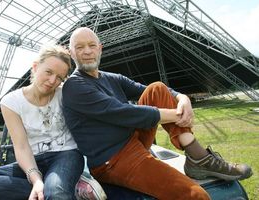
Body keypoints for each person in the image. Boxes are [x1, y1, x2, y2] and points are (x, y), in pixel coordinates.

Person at [61, 27, 253, 200]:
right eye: (79, 47)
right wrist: (176, 114)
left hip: (134, 140)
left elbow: (148, 90)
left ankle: (198, 158)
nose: (87, 51)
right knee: (196, 195)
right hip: (113, 160)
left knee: (157, 88)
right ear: (71, 53)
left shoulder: (111, 78)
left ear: (100, 48)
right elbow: (122, 113)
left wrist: (182, 97)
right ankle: (200, 159)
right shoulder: (74, 86)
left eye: (91, 45)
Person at [0, 44, 85, 200]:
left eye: (60, 77)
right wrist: (37, 181)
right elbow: (21, 146)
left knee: (56, 192)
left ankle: (59, 189)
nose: (53, 80)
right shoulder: (11, 102)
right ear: (35, 66)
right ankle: (69, 189)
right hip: (31, 160)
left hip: (66, 154)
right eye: (48, 72)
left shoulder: (65, 93)